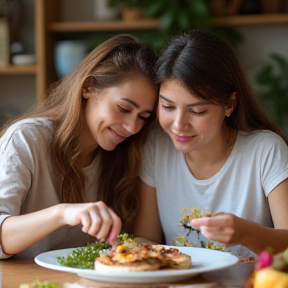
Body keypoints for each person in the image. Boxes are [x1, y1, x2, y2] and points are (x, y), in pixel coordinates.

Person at [0, 34, 158, 259]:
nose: (133, 127)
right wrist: (62, 213)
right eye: (123, 109)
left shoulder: (125, 155)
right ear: (88, 88)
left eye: (143, 116)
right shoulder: (27, 138)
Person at [134, 29, 288, 258]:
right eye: (167, 107)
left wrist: (246, 233)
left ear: (230, 105)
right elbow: (146, 238)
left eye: (197, 111)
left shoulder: (266, 150)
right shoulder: (156, 146)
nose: (178, 124)